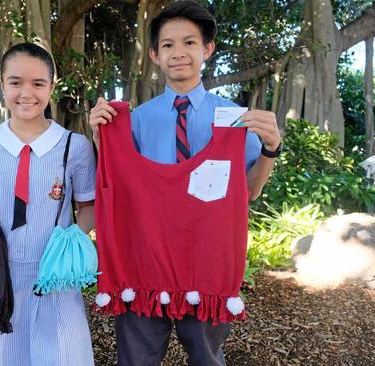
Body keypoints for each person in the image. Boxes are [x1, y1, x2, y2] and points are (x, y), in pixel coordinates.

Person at [89, 1, 281, 365]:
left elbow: (250, 191)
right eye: (168, 45)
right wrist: (104, 142)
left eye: (189, 43)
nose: (179, 53)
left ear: (207, 49)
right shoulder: (133, 122)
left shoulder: (235, 121)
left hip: (208, 259)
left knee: (207, 357)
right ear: (154, 55)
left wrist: (271, 148)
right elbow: (118, 190)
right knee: (137, 358)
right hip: (143, 261)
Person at [0, 42, 97, 366]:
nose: (26, 93)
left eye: (38, 83)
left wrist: (70, 240)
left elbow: (88, 207)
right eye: (15, 82)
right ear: (2, 84)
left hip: (53, 279)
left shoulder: (74, 147)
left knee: (59, 354)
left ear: (52, 87)